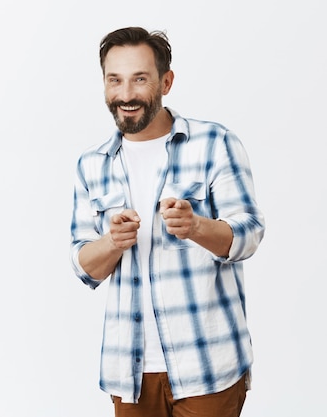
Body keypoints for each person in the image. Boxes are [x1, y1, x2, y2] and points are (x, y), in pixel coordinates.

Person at [69, 27, 265, 417]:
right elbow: (83, 266)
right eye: (115, 80)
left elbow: (249, 234)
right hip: (130, 373)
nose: (126, 94)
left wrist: (196, 227)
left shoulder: (214, 143)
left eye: (139, 79)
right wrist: (112, 242)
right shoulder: (92, 164)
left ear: (166, 81)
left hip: (208, 365)